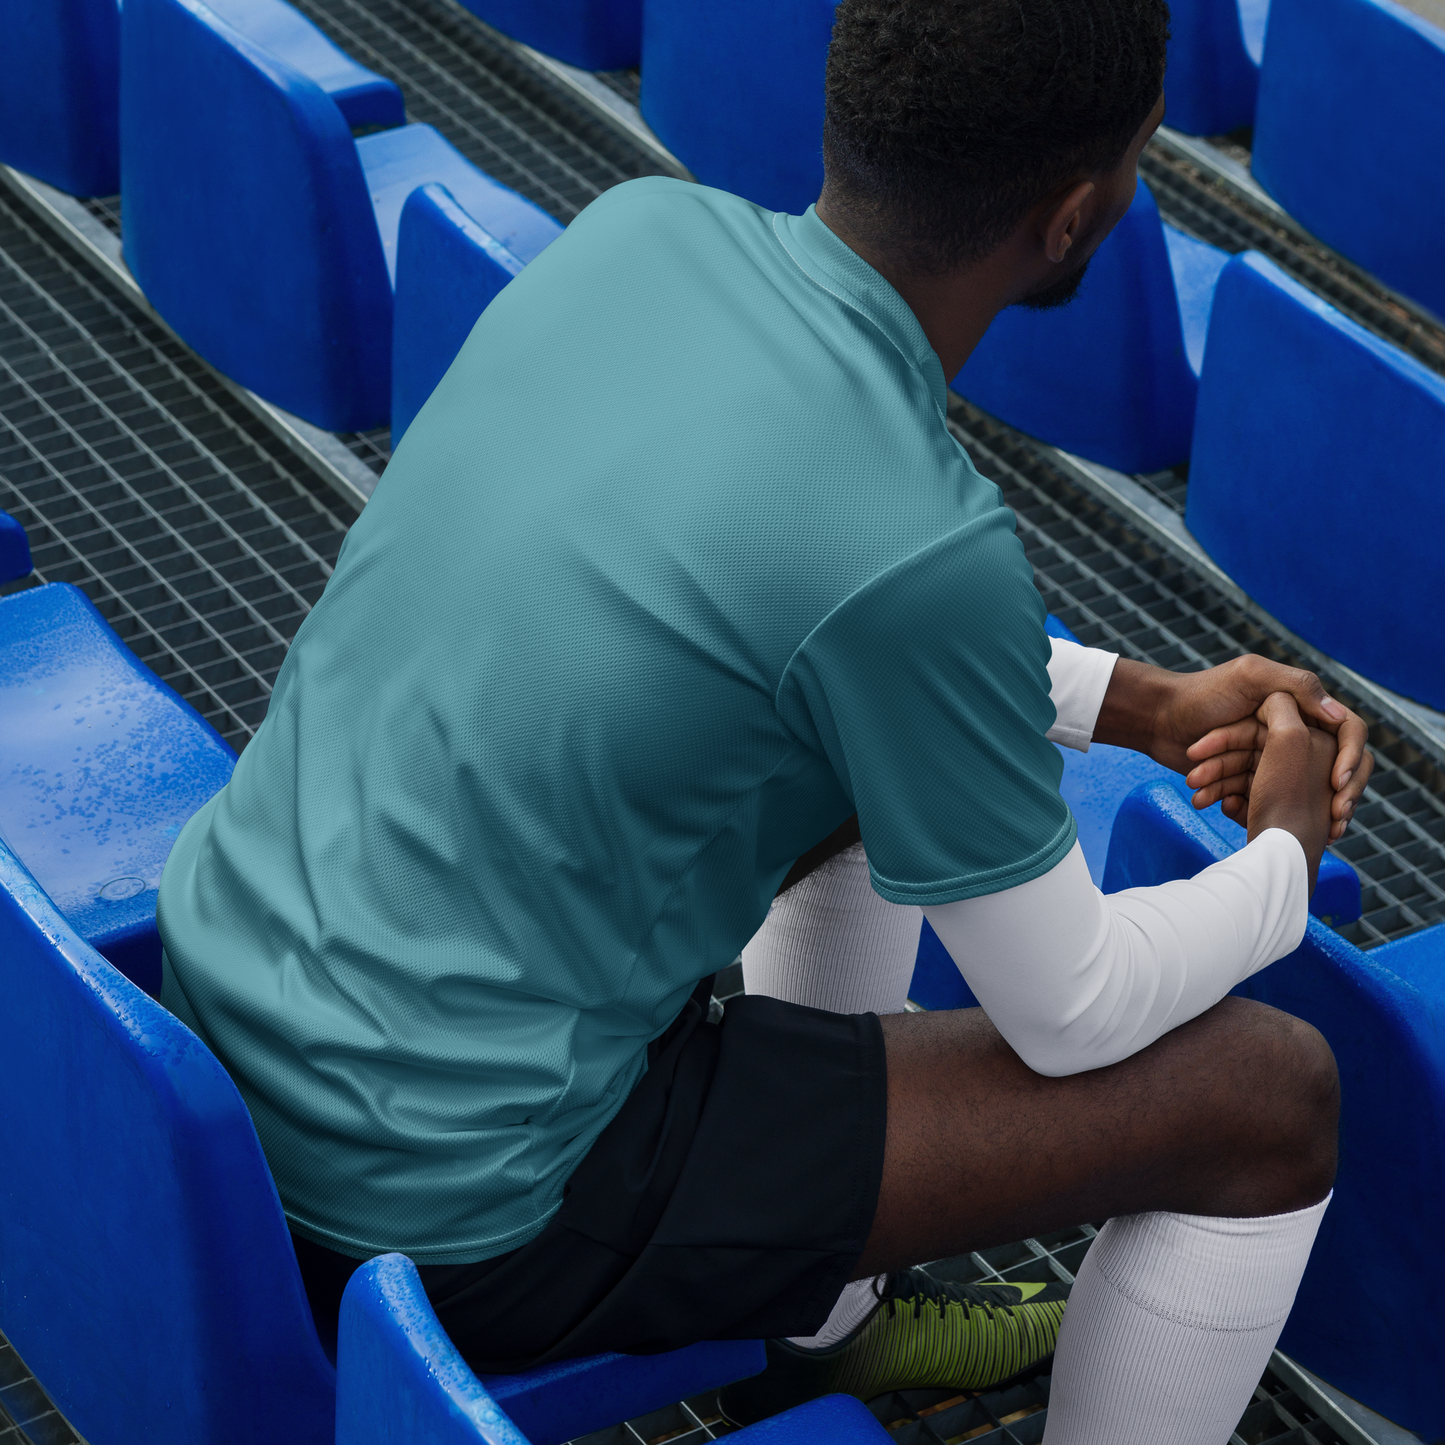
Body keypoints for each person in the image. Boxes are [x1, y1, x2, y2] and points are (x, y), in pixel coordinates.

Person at [156, 0, 1374, 1440]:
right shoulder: (919, 541)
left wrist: (1138, 703)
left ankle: (829, 1334)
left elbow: (803, 626)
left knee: (859, 772)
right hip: (461, 1202)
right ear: (1075, 218)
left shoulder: (636, 236)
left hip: (230, 1049)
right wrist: (1283, 863)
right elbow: (1073, 1009)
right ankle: (816, 1315)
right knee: (1266, 1097)